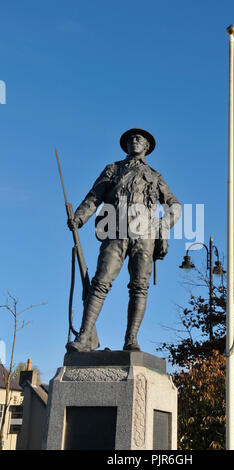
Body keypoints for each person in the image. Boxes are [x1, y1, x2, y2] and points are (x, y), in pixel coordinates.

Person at [66, 128, 181, 353]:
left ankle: (131, 340)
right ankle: (83, 337)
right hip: (116, 231)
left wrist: (162, 226)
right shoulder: (113, 169)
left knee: (139, 287)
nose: (134, 140)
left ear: (147, 146)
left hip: (145, 235)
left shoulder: (155, 176)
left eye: (139, 138)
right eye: (131, 139)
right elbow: (93, 197)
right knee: (100, 283)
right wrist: (79, 217)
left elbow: (175, 206)